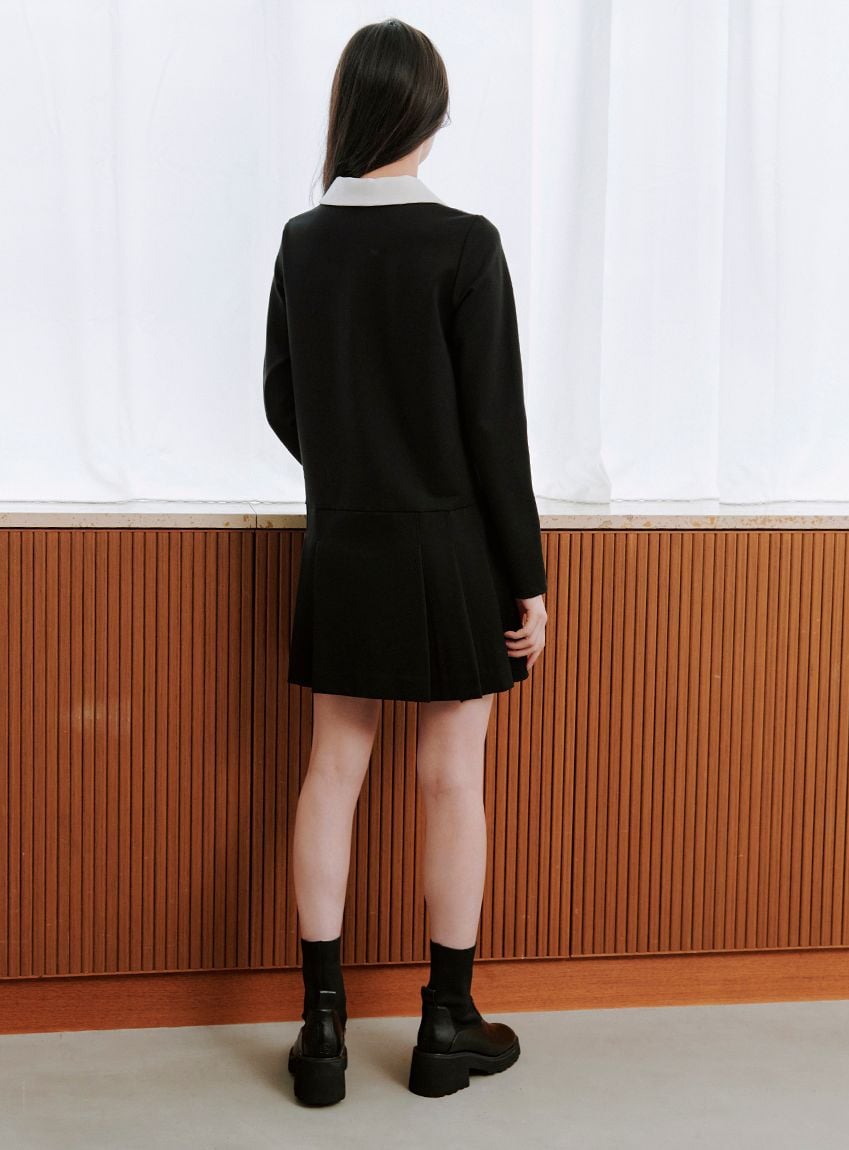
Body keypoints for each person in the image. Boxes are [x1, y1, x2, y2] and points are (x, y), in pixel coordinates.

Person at [263, 18, 547, 1106]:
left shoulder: (302, 241)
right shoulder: (465, 242)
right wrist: (527, 578)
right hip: (451, 550)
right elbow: (494, 430)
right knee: (451, 778)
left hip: (345, 544)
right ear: (427, 113)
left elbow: (283, 399)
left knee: (332, 772)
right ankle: (444, 1026)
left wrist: (355, 475)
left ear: (352, 110)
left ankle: (322, 1034)